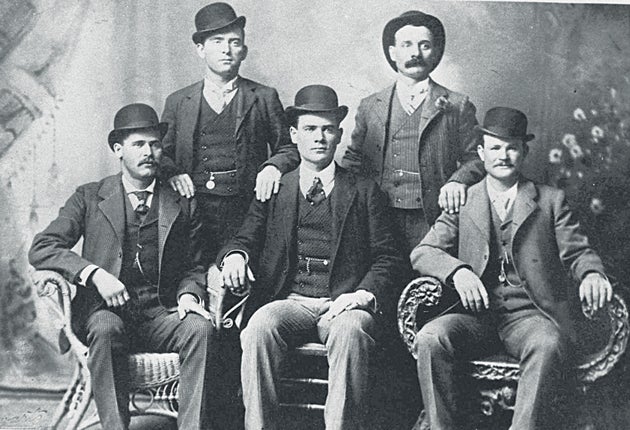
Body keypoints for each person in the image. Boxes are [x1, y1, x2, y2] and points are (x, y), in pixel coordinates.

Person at [411, 107, 613, 429]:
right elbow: (424, 252)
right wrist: (458, 272)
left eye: (512, 147)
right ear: (481, 152)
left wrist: (591, 273)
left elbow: (577, 253)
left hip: (529, 316)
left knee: (548, 343)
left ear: (524, 151)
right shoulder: (463, 201)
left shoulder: (550, 200)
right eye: (495, 147)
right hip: (474, 316)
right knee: (431, 337)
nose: (503, 156)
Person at [217, 85, 404, 430]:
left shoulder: (364, 191)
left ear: (339, 135)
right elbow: (245, 236)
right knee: (258, 327)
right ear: (294, 135)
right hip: (292, 302)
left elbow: (389, 257)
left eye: (327, 129)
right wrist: (236, 256)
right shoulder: (276, 189)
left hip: (342, 302)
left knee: (352, 330)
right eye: (310, 129)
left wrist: (360, 295)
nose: (319, 137)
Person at [29, 104, 219, 430]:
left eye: (155, 144)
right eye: (139, 145)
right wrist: (94, 274)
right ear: (118, 149)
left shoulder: (181, 202)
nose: (149, 153)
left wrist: (189, 296)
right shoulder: (90, 197)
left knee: (200, 329)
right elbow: (44, 247)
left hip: (162, 312)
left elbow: (195, 264)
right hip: (106, 311)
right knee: (104, 327)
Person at [160, 2, 299, 262]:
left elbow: (288, 148)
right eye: (217, 41)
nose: (226, 50)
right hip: (192, 213)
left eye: (234, 42)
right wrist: (174, 172)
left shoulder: (264, 97)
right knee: (195, 279)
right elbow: (160, 154)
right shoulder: (178, 102)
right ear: (200, 49)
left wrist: (273, 167)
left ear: (244, 51)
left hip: (247, 214)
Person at [342, 10, 484, 254]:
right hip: (379, 216)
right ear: (392, 52)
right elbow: (353, 160)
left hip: (433, 218)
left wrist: (458, 181)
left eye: (424, 45)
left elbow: (476, 159)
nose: (415, 53)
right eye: (406, 45)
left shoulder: (457, 104)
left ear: (436, 52)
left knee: (429, 283)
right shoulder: (369, 106)